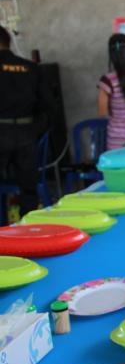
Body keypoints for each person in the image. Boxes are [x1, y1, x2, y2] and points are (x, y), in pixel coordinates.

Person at [0, 24, 52, 218]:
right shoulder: (31, 68)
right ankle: (27, 230)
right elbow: (48, 105)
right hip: (26, 135)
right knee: (28, 189)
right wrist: (35, 130)